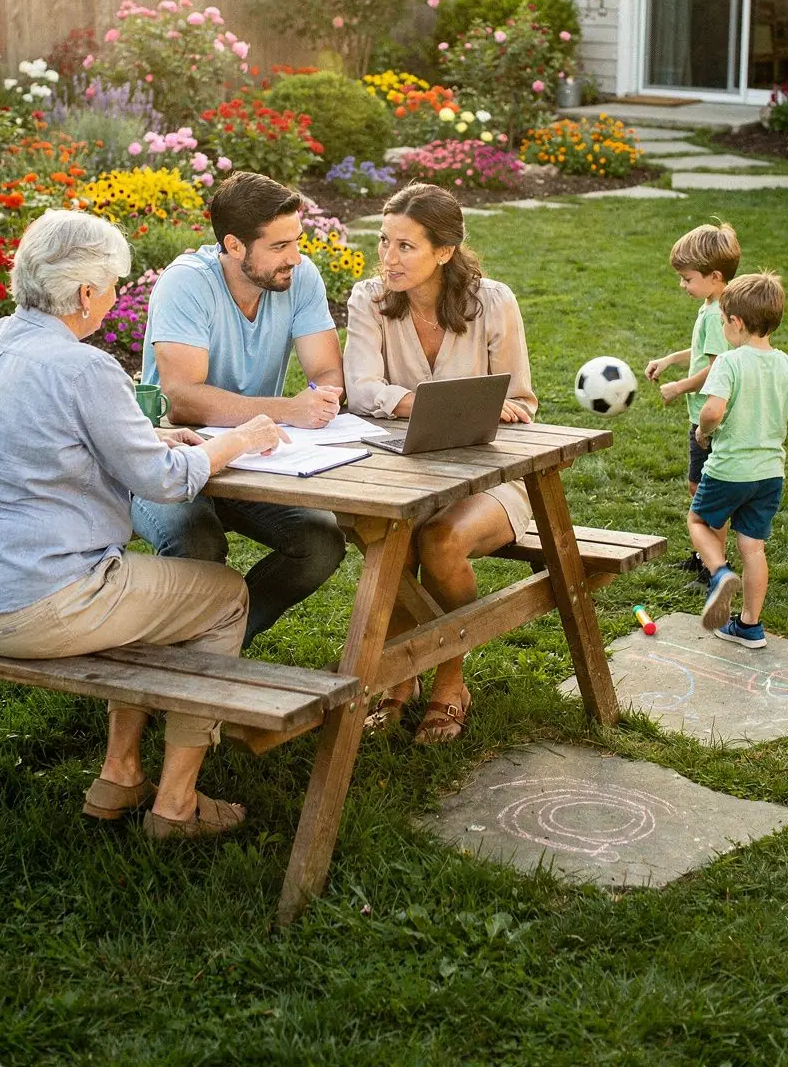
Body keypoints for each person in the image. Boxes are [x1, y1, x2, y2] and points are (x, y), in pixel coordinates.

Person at [0, 209, 291, 838]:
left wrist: (150, 438)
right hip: (41, 605)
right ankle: (177, 805)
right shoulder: (85, 368)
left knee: (156, 590)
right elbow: (166, 482)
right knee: (223, 596)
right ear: (85, 293)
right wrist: (239, 439)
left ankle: (121, 773)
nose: (117, 296)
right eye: (114, 285)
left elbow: (44, 440)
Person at [343, 182, 538, 743]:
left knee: (441, 541)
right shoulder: (369, 300)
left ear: (445, 251)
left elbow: (520, 401)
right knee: (395, 540)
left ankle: (450, 678)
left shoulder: (493, 302)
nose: (388, 257)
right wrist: (427, 404)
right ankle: (399, 678)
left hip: (491, 478)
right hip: (402, 474)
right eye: (384, 242)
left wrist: (499, 409)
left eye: (405, 246)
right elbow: (360, 390)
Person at [131, 172, 347, 646]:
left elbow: (326, 369)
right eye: (279, 246)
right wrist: (289, 409)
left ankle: (220, 643)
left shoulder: (300, 277)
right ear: (233, 245)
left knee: (320, 542)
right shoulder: (187, 284)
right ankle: (185, 662)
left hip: (254, 464)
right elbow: (183, 400)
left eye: (297, 240)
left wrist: (323, 394)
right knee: (197, 541)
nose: (294, 256)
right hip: (170, 458)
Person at [692, 272, 788, 648]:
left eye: (723, 320)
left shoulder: (730, 362)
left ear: (736, 322)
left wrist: (703, 431)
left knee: (698, 521)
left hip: (729, 470)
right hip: (770, 475)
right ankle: (750, 625)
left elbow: (712, 411)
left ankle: (719, 573)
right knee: (753, 548)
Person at [644, 222, 741, 585]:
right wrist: (670, 359)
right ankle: (705, 555)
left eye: (687, 278)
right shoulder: (712, 305)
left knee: (706, 492)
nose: (682, 285)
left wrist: (679, 387)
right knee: (697, 488)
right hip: (702, 415)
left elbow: (717, 366)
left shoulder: (717, 314)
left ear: (715, 277)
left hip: (710, 417)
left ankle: (713, 565)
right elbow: (702, 351)